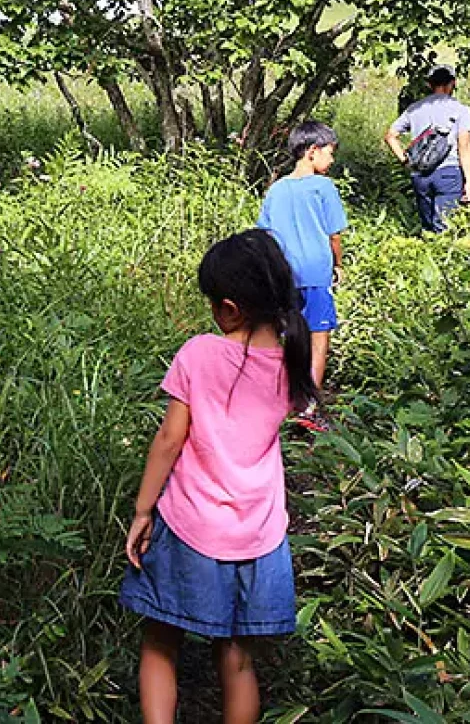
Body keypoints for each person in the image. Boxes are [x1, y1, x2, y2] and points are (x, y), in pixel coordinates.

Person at [119, 230, 318, 724]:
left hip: (191, 524)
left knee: (161, 640)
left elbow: (169, 440)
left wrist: (143, 510)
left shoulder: (200, 354)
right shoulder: (292, 358)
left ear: (229, 308)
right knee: (238, 656)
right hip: (259, 532)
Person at [256, 120, 347, 391]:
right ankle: (309, 403)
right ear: (312, 151)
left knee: (288, 337)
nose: (331, 160)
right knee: (319, 340)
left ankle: (281, 394)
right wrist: (339, 265)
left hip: (285, 276)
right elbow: (334, 235)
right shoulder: (324, 187)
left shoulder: (277, 189)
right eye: (329, 153)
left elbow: (266, 235)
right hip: (317, 273)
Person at [384, 64, 470, 232]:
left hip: (420, 174)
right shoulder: (461, 110)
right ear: (452, 83)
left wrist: (406, 161)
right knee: (444, 225)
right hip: (448, 173)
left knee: (427, 226)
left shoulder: (414, 109)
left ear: (429, 84)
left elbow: (390, 136)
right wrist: (468, 182)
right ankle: (441, 255)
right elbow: (464, 146)